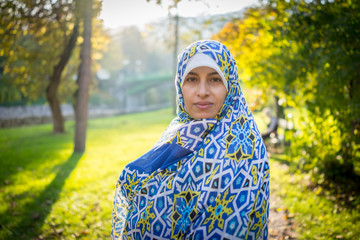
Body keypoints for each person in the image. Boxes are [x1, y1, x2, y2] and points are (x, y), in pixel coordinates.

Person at [112, 40, 270, 240]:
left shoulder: (244, 150)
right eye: (192, 79)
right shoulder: (178, 135)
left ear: (229, 86)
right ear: (180, 85)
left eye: (214, 80)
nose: (202, 91)